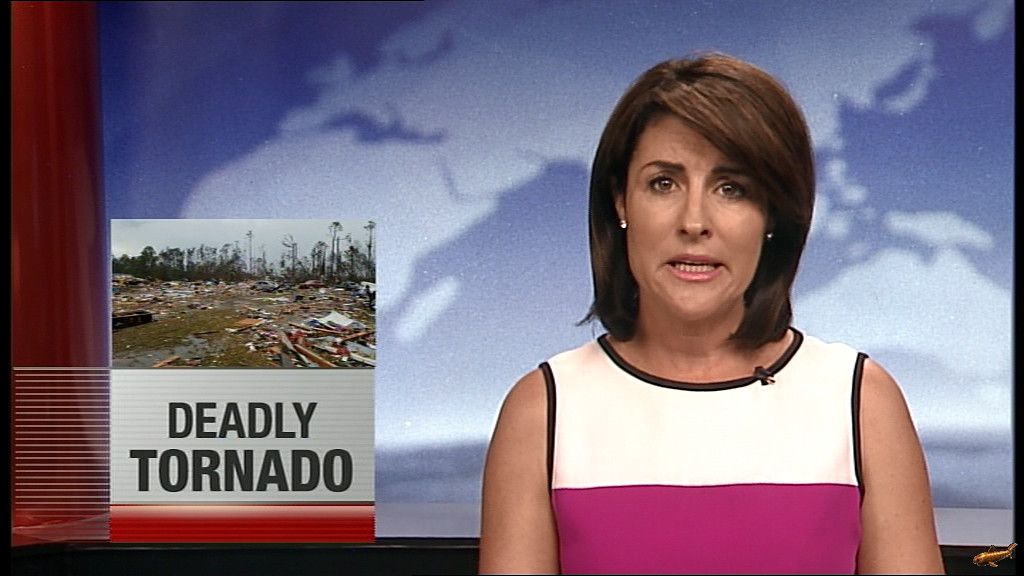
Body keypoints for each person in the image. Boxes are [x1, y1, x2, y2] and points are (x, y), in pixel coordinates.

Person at [479, 53, 944, 574]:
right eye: (664, 183)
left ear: (773, 214)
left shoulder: (861, 401)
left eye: (732, 188)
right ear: (620, 202)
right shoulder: (543, 410)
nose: (694, 221)